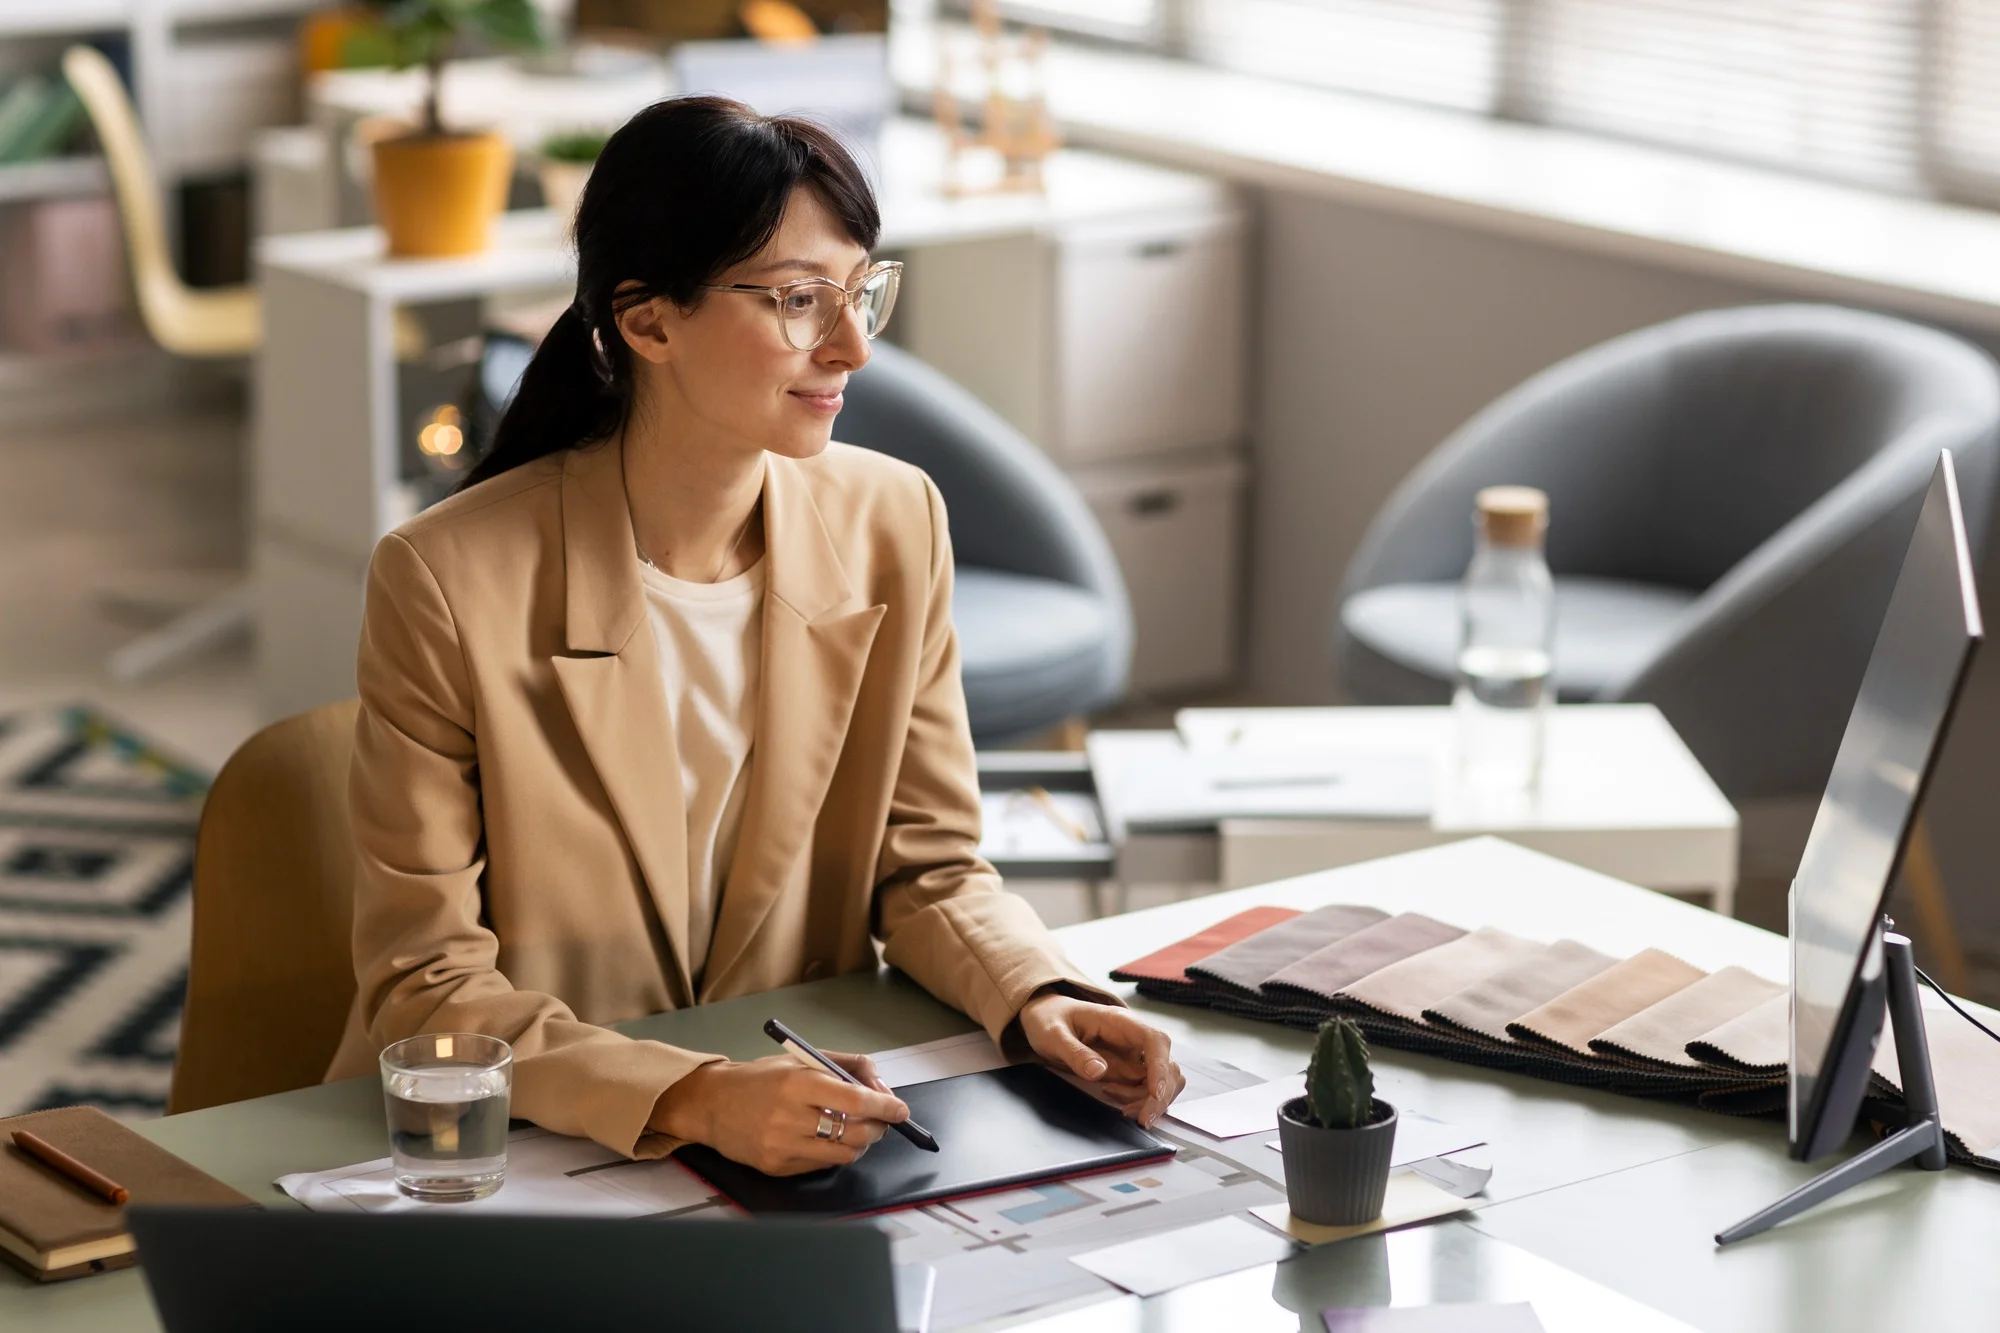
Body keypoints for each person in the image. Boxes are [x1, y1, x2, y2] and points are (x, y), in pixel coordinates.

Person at [324, 96, 1185, 1175]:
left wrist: (1037, 991)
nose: (853, 346)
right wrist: (696, 1096)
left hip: (803, 1128)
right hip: (520, 1150)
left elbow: (927, 869)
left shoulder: (893, 520)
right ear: (647, 322)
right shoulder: (446, 578)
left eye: (860, 291)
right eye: (795, 301)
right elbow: (427, 991)